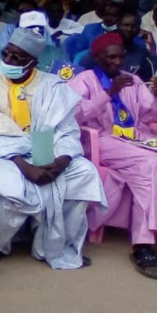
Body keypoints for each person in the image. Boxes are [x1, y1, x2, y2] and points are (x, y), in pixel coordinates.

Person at [0, 28, 105, 270]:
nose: (8, 61)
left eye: (17, 58)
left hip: (43, 147)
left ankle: (54, 244)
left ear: (33, 62)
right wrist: (25, 166)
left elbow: (65, 130)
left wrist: (62, 160)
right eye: (6, 54)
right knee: (10, 187)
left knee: (84, 174)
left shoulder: (52, 86)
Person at [67, 33, 157, 279]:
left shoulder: (133, 81)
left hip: (134, 141)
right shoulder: (84, 80)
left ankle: (144, 241)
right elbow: (72, 116)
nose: (117, 62)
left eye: (120, 57)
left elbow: (150, 114)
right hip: (100, 140)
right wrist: (108, 92)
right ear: (97, 58)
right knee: (152, 162)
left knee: (148, 169)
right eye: (111, 57)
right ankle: (143, 246)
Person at [79, 12, 155, 81]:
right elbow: (84, 67)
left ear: (139, 29)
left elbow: (149, 78)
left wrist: (152, 48)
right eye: (126, 25)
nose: (129, 29)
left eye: (134, 26)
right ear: (118, 25)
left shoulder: (141, 51)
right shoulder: (103, 45)